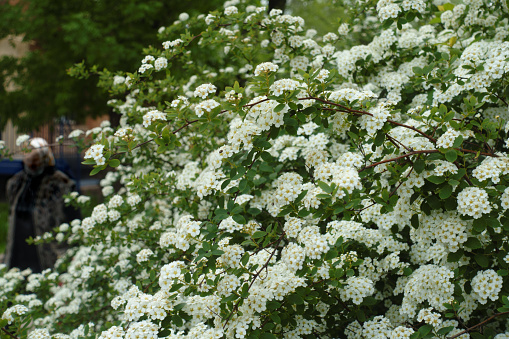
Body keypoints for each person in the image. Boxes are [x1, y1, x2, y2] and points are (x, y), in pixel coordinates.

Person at [4, 138, 80, 272]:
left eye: (36, 160)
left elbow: (74, 218)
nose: (32, 164)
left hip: (48, 252)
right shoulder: (16, 183)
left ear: (46, 158)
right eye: (29, 160)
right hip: (20, 247)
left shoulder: (61, 183)